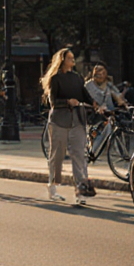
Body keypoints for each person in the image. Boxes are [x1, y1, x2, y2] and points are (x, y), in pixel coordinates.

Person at [42, 49, 99, 205]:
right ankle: (52, 188)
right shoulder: (55, 79)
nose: (73, 61)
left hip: (77, 120)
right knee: (57, 156)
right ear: (62, 60)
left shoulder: (77, 78)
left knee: (79, 155)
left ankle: (80, 191)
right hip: (59, 121)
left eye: (73, 58)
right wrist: (68, 102)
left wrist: (95, 104)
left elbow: (85, 95)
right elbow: (53, 102)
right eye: (69, 58)